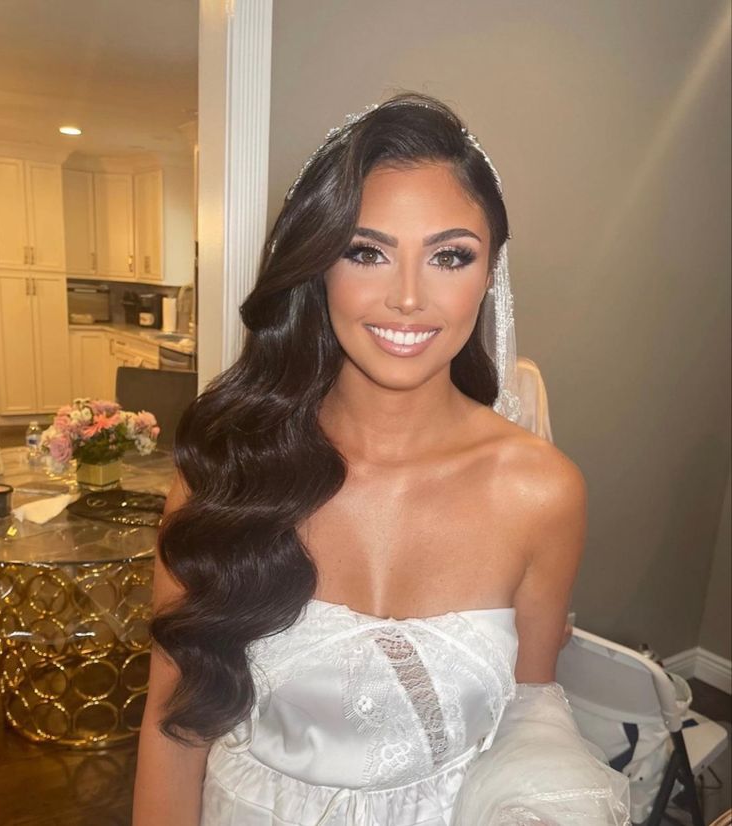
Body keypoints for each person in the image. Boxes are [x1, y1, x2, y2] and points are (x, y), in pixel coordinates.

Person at [133, 93, 630, 826]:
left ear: (487, 274)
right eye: (365, 251)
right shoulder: (225, 467)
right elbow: (174, 729)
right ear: (316, 268)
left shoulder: (540, 493)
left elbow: (531, 710)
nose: (405, 297)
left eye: (448, 256)